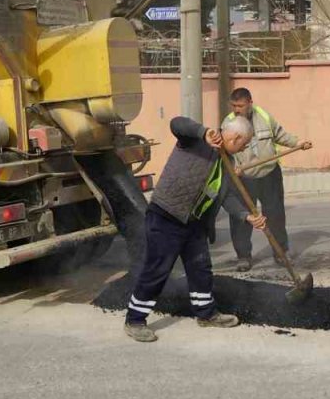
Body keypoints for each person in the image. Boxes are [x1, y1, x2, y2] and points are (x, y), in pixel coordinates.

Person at [124, 115, 267, 343]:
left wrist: (247, 216)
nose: (246, 147)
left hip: (194, 223)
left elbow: (225, 196)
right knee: (158, 269)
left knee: (200, 269)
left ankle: (207, 314)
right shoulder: (197, 140)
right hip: (167, 216)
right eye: (245, 143)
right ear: (237, 137)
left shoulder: (226, 161)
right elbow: (176, 123)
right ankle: (135, 320)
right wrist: (203, 131)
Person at [224, 87, 312, 271]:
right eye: (233, 106)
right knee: (242, 219)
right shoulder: (229, 123)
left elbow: (280, 135)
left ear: (250, 103)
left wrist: (298, 143)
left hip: (269, 175)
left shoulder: (264, 116)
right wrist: (233, 170)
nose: (236, 109)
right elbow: (224, 153)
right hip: (244, 178)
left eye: (240, 105)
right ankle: (243, 257)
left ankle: (281, 253)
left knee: (276, 215)